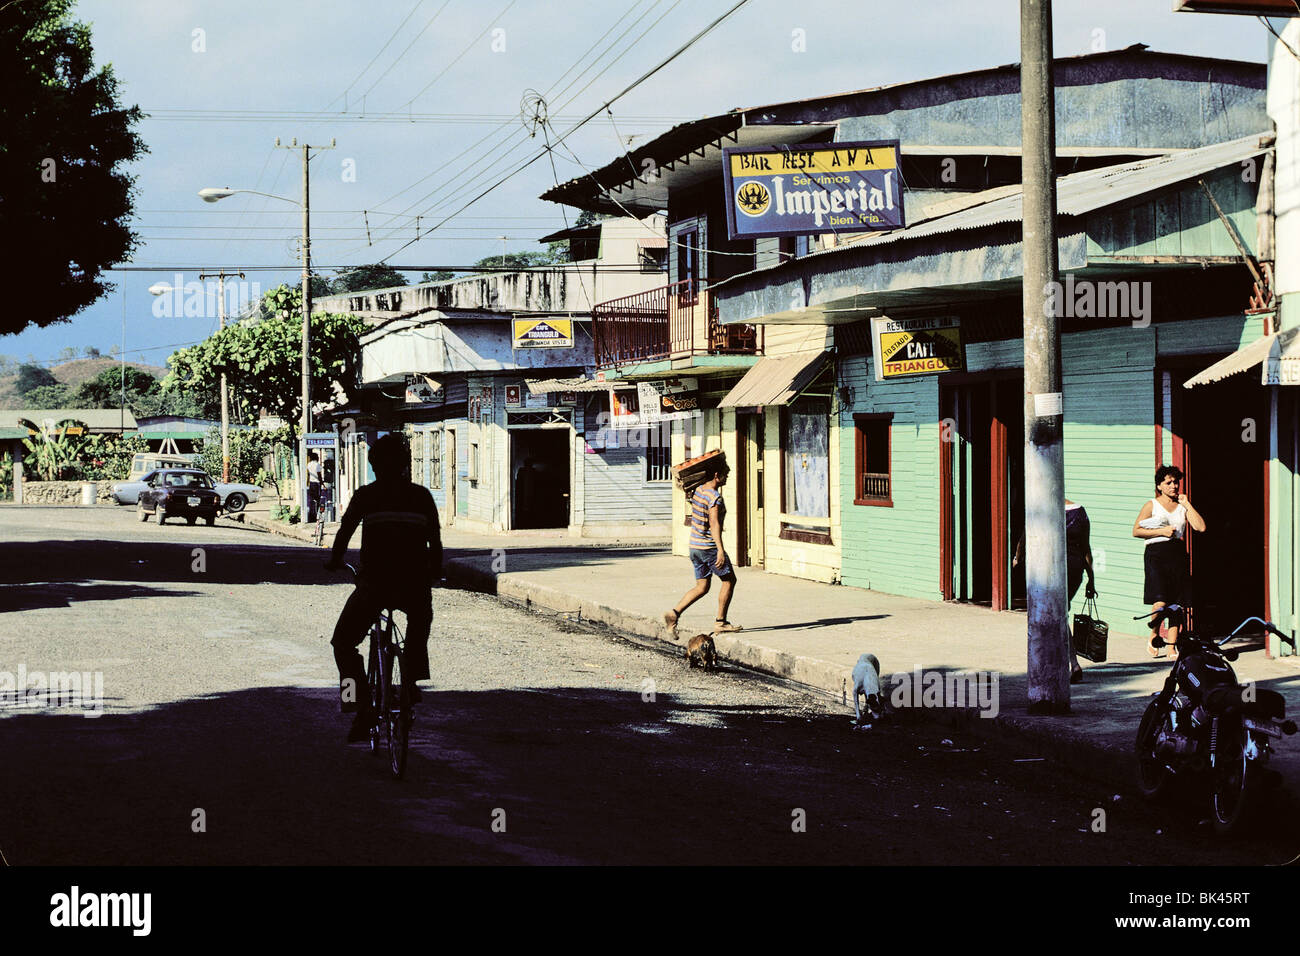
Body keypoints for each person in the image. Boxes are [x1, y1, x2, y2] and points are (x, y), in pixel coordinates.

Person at [324, 435, 442, 742]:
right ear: (405, 466)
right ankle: (412, 679)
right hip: (413, 584)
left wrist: (335, 560)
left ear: (374, 465)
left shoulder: (367, 495)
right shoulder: (422, 496)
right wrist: (436, 573)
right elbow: (436, 543)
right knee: (420, 619)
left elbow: (345, 531)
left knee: (343, 643)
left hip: (375, 584)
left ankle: (360, 706)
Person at [1013, 498, 1096, 683]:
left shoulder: (1042, 507)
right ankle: (1072, 663)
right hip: (1075, 567)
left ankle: (1068, 664)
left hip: (1051, 566)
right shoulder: (1080, 512)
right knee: (1061, 613)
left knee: (1055, 615)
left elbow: (1025, 537)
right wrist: (1091, 579)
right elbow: (1086, 548)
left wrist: (1017, 558)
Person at [1132, 465, 1206, 659]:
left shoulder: (1182, 505)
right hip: (1156, 553)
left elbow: (1200, 527)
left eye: (1176, 482)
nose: (1174, 486)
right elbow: (1136, 531)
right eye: (1169, 482)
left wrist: (1187, 504)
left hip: (1177, 553)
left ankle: (1172, 646)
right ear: (1160, 486)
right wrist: (1161, 532)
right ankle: (1154, 634)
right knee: (1160, 600)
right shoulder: (1151, 505)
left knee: (1177, 603)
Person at [664, 458, 741, 637]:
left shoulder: (698, 491)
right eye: (725, 475)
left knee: (702, 586)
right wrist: (720, 550)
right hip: (708, 547)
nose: (727, 478)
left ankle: (673, 614)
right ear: (716, 476)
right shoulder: (714, 497)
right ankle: (721, 622)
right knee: (729, 580)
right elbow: (714, 523)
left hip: (694, 547)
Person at [306, 451, 322, 524]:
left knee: (312, 500)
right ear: (316, 457)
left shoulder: (309, 464)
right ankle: (317, 515)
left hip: (311, 483)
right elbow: (319, 475)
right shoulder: (317, 465)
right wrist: (322, 483)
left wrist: (307, 483)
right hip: (317, 483)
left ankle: (311, 515)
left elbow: (309, 475)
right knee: (318, 500)